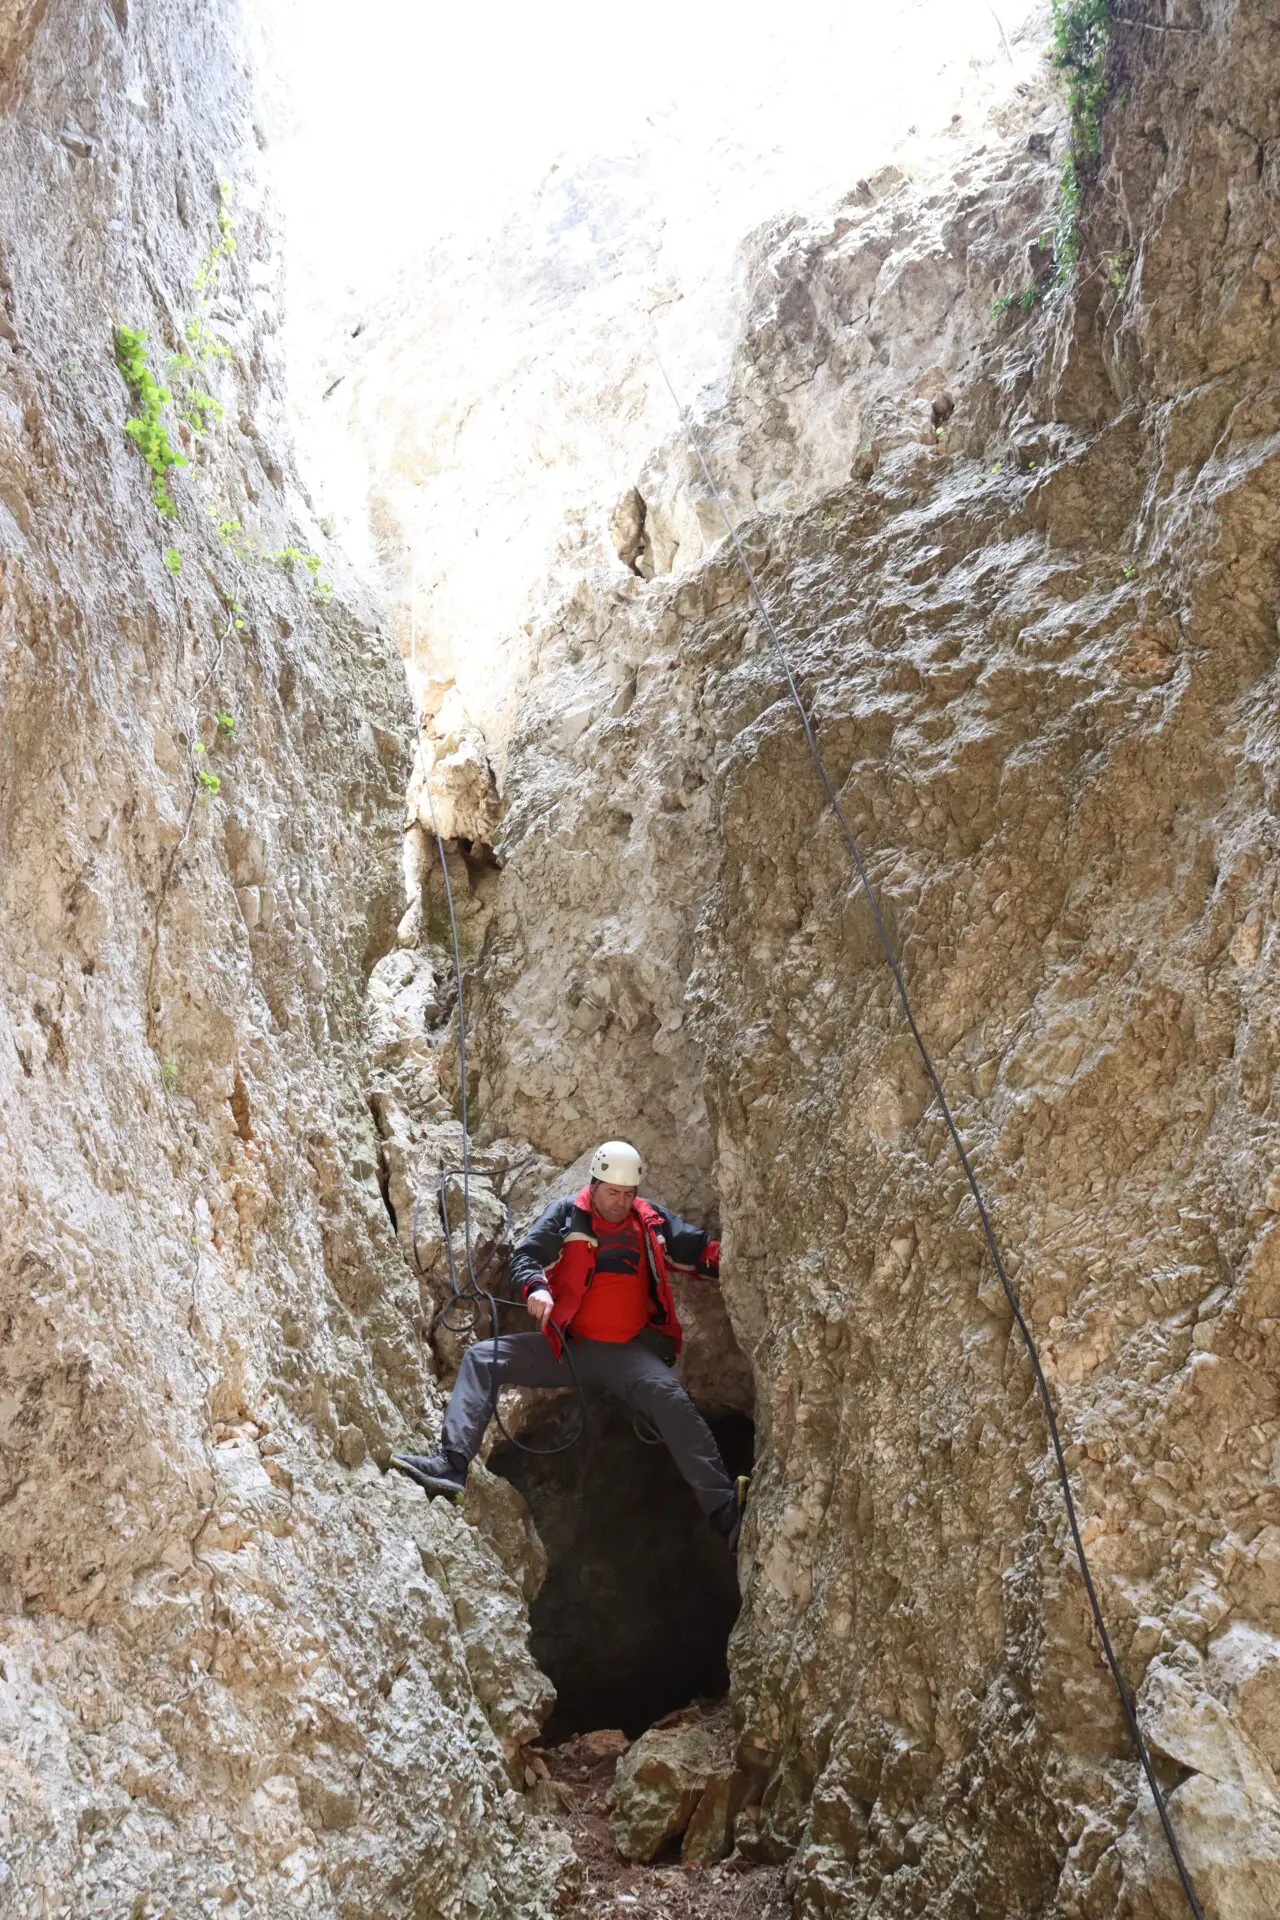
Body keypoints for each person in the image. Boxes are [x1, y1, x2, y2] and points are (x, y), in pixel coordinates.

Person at [389, 1140, 749, 1545]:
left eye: (628, 1194)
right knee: (482, 1358)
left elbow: (700, 1251)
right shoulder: (566, 1216)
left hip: (626, 1353)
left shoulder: (650, 1223)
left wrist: (745, 1259)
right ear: (594, 1184)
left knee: (673, 1400)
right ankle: (451, 1465)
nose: (621, 1202)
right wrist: (536, 1289)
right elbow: (525, 1258)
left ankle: (724, 1512)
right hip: (568, 1346)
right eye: (613, 1193)